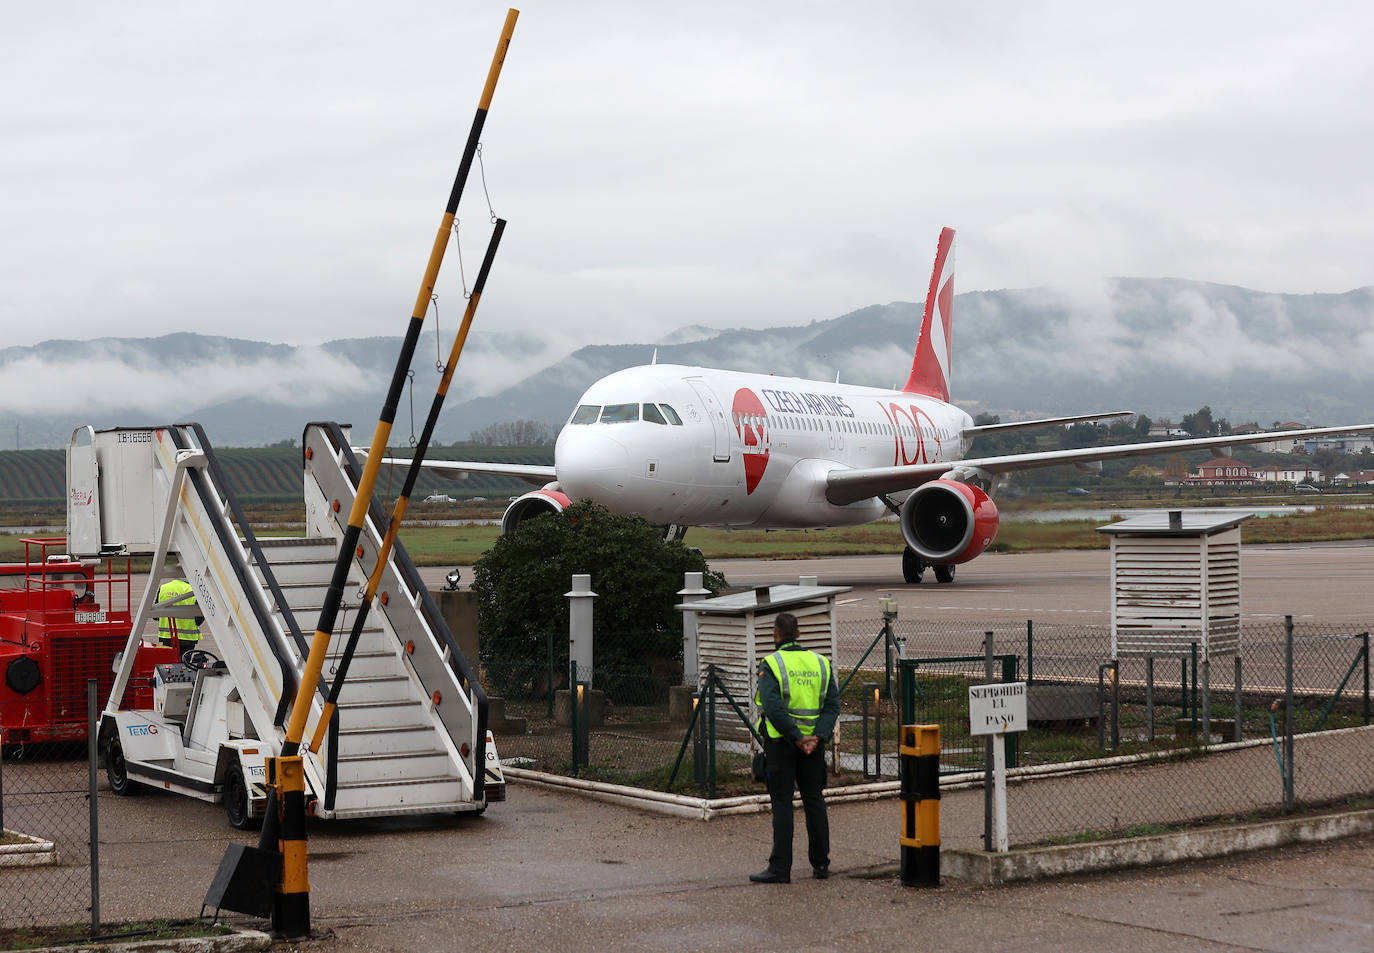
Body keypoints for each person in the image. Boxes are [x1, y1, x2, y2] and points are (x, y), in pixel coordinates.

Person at [750, 611, 841, 884]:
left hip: (782, 745)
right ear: (799, 634)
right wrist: (817, 737)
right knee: (814, 801)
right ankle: (821, 864)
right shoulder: (820, 663)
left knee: (782, 803)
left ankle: (780, 869)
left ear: (775, 635)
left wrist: (796, 736)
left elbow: (772, 707)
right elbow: (832, 705)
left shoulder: (772, 664)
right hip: (814, 748)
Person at [156, 578, 203, 649]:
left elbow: (156, 616)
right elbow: (199, 619)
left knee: (169, 659)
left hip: (167, 636)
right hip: (188, 637)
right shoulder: (194, 590)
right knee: (184, 659)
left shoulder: (163, 588)